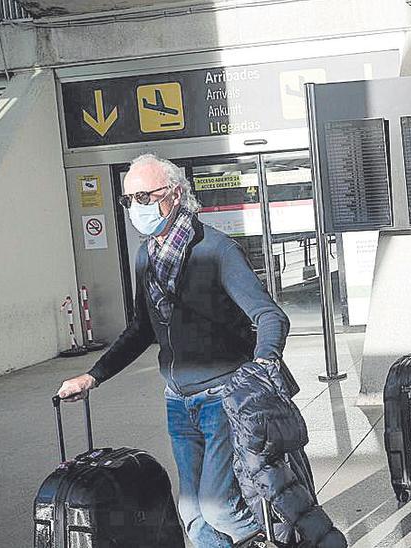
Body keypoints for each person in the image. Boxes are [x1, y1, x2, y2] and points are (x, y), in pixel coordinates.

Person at [56, 154, 289, 547]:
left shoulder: (215, 250)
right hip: (178, 402)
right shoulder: (147, 257)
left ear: (176, 195)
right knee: (192, 514)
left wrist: (263, 365)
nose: (136, 207)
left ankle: (278, 540)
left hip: (222, 397)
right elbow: (141, 329)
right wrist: (92, 375)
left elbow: (270, 316)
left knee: (218, 508)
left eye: (145, 196)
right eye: (129, 199)